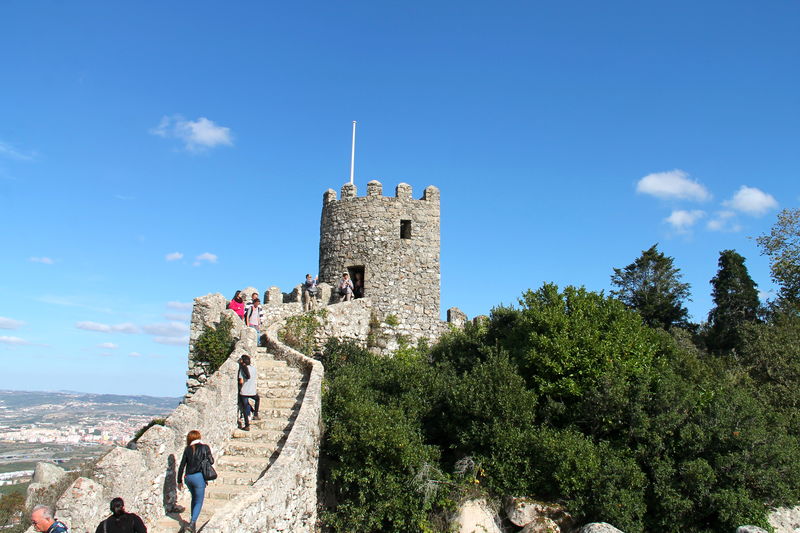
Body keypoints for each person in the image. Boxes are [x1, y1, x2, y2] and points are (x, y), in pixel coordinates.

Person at [177, 430, 214, 533]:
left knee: (194, 498)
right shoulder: (205, 447)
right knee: (199, 501)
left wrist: (179, 480)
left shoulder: (187, 449)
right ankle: (192, 523)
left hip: (188, 477)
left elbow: (182, 465)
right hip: (199, 478)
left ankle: (193, 521)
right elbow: (211, 461)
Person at [238, 355, 259, 430]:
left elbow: (241, 381)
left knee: (245, 407)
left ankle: (247, 425)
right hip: (252, 391)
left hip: (244, 392)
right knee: (257, 399)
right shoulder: (254, 369)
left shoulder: (242, 370)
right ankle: (255, 414)